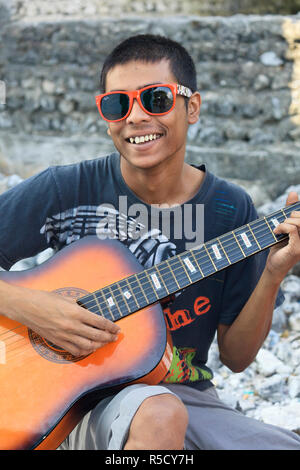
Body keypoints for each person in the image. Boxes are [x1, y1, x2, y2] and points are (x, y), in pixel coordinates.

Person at [0, 34, 300, 450]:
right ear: (104, 114)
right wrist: (31, 307)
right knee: (158, 414)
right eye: (118, 103)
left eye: (156, 99)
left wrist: (273, 272)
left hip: (185, 395)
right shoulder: (65, 188)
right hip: (67, 408)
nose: (136, 117)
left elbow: (236, 357)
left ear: (191, 106)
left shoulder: (230, 209)